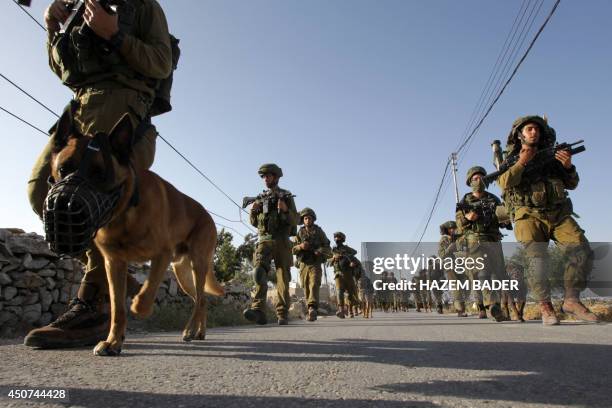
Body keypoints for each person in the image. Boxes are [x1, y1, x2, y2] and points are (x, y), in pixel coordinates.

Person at [24, 0, 173, 348]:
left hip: (123, 106)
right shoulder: (78, 6)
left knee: (97, 199)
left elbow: (161, 63)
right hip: (78, 108)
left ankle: (93, 305)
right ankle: (112, 280)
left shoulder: (144, 7)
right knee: (39, 194)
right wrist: (52, 28)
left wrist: (115, 34)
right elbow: (64, 71)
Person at [497, 115, 598, 325]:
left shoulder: (551, 156)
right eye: (530, 129)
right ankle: (545, 306)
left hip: (558, 213)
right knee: (537, 262)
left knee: (581, 250)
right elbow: (504, 184)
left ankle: (571, 301)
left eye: (537, 129)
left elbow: (572, 184)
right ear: (520, 135)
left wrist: (568, 166)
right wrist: (522, 162)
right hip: (528, 216)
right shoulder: (512, 159)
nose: (534, 132)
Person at [243, 164, 298, 326]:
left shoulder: (286, 196)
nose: (265, 179)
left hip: (282, 240)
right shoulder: (261, 198)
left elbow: (296, 220)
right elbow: (254, 222)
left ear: (276, 177)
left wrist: (286, 210)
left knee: (283, 278)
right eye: (263, 177)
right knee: (258, 272)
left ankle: (282, 313)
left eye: (268, 176)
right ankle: (259, 310)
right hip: (265, 239)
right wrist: (254, 210)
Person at [456, 166, 507, 322]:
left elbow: (503, 218)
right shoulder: (465, 201)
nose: (479, 181)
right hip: (475, 242)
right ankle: (490, 305)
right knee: (481, 274)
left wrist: (505, 218)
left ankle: (495, 306)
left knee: (497, 275)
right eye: (475, 178)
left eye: (482, 178)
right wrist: (468, 218)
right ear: (470, 182)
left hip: (493, 240)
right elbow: (460, 223)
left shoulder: (493, 198)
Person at [292, 207, 331, 322]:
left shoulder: (319, 231)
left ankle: (312, 307)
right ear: (303, 220)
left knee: (314, 284)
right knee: (305, 286)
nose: (307, 220)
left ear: (313, 219)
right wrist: (300, 246)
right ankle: (310, 308)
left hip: (315, 262)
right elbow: (293, 249)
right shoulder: (299, 232)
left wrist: (319, 250)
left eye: (309, 218)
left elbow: (327, 247)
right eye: (305, 218)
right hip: (303, 263)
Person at [438, 221, 468, 317]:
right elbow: (441, 254)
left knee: (466, 284)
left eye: (454, 228)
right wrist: (449, 249)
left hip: (461, 264)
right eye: (450, 229)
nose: (452, 230)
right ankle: (460, 310)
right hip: (449, 265)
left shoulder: (459, 238)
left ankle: (462, 306)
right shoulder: (443, 240)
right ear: (446, 230)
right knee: (456, 286)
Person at [328, 232, 360, 319]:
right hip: (338, 274)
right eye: (335, 237)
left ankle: (351, 310)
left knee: (350, 293)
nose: (337, 239)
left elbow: (355, 253)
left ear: (342, 239)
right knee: (339, 291)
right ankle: (341, 310)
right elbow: (328, 262)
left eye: (339, 237)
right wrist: (334, 257)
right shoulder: (333, 250)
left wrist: (349, 258)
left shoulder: (347, 250)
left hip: (348, 274)